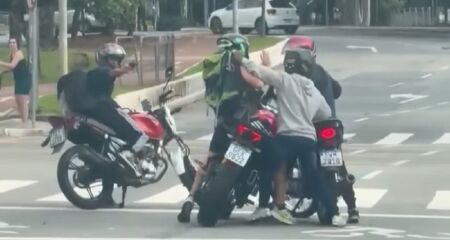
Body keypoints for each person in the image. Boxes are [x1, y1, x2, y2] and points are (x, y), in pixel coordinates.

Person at [234, 48, 346, 227]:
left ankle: (264, 206)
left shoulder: (285, 80)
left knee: (267, 164)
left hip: (286, 138)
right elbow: (325, 113)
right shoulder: (313, 90)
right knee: (314, 177)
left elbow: (259, 71)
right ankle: (334, 214)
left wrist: (242, 60)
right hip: (308, 140)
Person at [177, 33, 277, 223]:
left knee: (210, 158)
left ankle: (190, 198)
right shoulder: (238, 63)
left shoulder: (218, 67)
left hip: (224, 121)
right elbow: (259, 83)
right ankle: (266, 202)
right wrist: (266, 68)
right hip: (243, 120)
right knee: (270, 155)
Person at [285, 36, 359, 223]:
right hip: (330, 125)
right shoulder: (321, 72)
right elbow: (338, 91)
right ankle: (352, 208)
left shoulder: (298, 77)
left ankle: (280, 198)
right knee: (340, 165)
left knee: (290, 154)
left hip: (309, 126)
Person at [58, 43, 149, 169]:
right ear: (103, 60)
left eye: (118, 60)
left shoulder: (90, 80)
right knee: (137, 132)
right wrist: (122, 71)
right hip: (98, 108)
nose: (115, 62)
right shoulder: (100, 71)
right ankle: (142, 156)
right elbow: (109, 74)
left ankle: (109, 161)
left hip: (84, 115)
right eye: (113, 59)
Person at [0, 38, 31, 125]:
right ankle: (23, 119)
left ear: (17, 44)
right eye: (10, 43)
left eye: (14, 42)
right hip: (18, 79)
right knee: (18, 100)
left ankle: (25, 121)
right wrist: (3, 71)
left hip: (24, 78)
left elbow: (12, 65)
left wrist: (1, 63)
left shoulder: (19, 53)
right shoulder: (11, 54)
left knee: (22, 99)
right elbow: (12, 67)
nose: (12, 44)